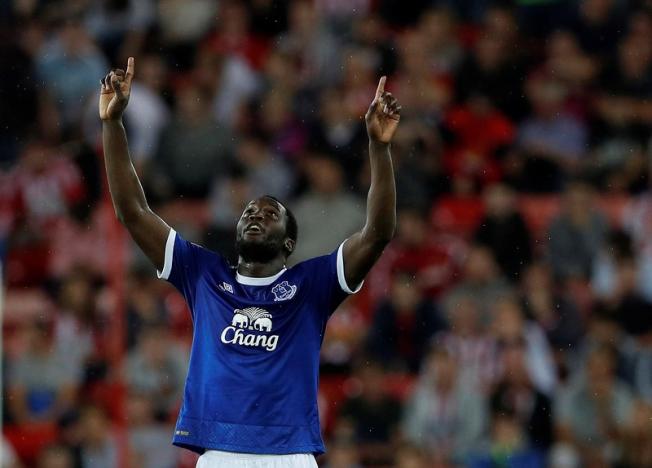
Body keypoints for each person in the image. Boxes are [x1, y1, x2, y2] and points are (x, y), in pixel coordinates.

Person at [99, 58, 401, 467]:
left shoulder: (312, 284)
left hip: (290, 455)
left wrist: (379, 150)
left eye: (269, 212)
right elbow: (133, 212)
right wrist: (114, 126)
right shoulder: (203, 274)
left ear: (289, 241)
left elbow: (377, 234)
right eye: (248, 213)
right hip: (220, 454)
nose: (255, 215)